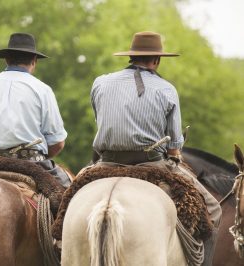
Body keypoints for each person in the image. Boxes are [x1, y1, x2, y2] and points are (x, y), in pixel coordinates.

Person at [90, 31, 221, 266]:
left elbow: (101, 120)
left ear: (131, 57)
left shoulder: (100, 83)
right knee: (214, 210)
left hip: (105, 162)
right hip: (151, 163)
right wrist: (173, 152)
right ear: (157, 60)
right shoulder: (166, 89)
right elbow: (174, 148)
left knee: (63, 201)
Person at [0, 32, 71, 187]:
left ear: (7, 59)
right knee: (66, 194)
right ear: (34, 61)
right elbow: (58, 142)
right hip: (32, 163)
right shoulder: (42, 89)